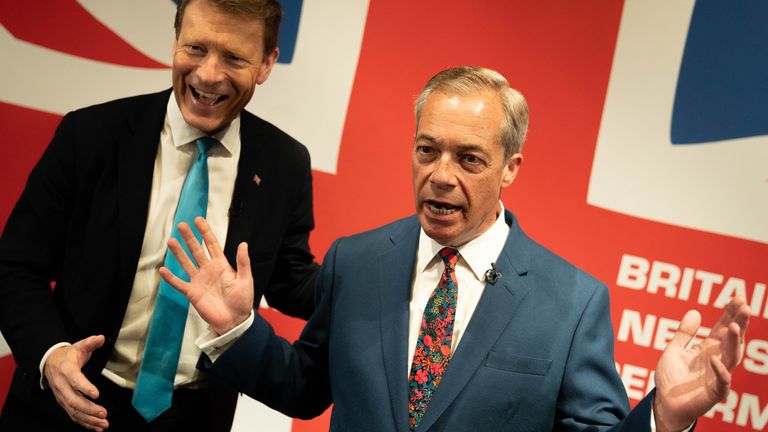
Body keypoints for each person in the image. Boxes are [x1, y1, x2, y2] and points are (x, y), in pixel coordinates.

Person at [161, 66, 751, 431]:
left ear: (510, 168)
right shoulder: (355, 262)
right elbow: (304, 389)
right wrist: (238, 329)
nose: (441, 176)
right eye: (427, 151)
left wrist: (662, 419)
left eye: (469, 159)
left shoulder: (572, 303)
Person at [0, 1, 319, 431]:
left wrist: (380, 279)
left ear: (266, 64)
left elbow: (291, 279)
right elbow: (15, 267)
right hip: (68, 407)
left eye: (233, 57)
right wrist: (51, 354)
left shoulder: (284, 163)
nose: (208, 74)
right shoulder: (91, 135)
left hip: (195, 417)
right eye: (196, 48)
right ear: (174, 41)